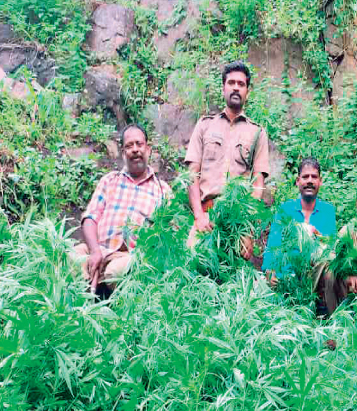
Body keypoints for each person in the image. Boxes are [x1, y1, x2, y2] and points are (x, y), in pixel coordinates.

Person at [185, 61, 269, 259]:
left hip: (237, 221)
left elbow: (258, 186)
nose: (236, 87)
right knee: (193, 268)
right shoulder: (205, 126)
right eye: (231, 82)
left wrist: (247, 229)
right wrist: (198, 217)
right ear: (223, 87)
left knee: (233, 281)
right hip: (206, 216)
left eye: (241, 84)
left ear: (247, 91)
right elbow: (191, 175)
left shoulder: (257, 132)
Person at [74, 124, 172, 295]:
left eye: (139, 144)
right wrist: (95, 251)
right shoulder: (110, 180)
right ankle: (77, 305)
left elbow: (171, 235)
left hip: (130, 258)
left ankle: (109, 308)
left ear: (148, 149)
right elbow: (90, 218)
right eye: (129, 146)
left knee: (115, 273)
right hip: (97, 249)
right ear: (123, 152)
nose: (135, 149)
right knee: (69, 256)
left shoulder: (162, 190)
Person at [262, 157, 337, 310]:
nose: (310, 181)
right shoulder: (285, 209)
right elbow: (273, 244)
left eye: (314, 177)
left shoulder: (328, 211)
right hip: (287, 278)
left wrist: (314, 234)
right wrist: (270, 271)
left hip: (315, 280)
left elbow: (331, 248)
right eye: (305, 177)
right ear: (297, 181)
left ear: (320, 181)